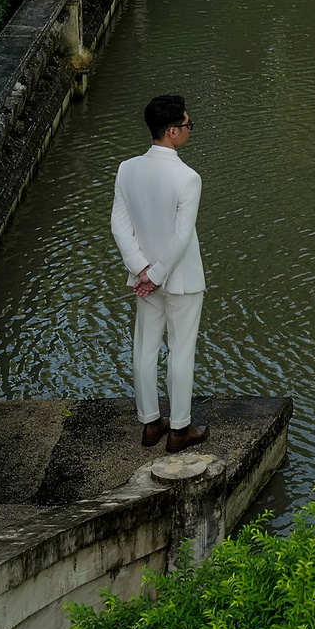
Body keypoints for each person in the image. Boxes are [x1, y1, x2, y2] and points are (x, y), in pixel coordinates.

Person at [111, 94, 208, 452]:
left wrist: (142, 269)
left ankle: (150, 424)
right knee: (181, 351)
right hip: (180, 280)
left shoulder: (127, 168)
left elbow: (119, 227)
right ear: (170, 131)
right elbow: (182, 236)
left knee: (144, 348)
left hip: (144, 280)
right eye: (186, 124)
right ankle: (179, 429)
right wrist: (160, 273)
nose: (188, 130)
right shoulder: (188, 178)